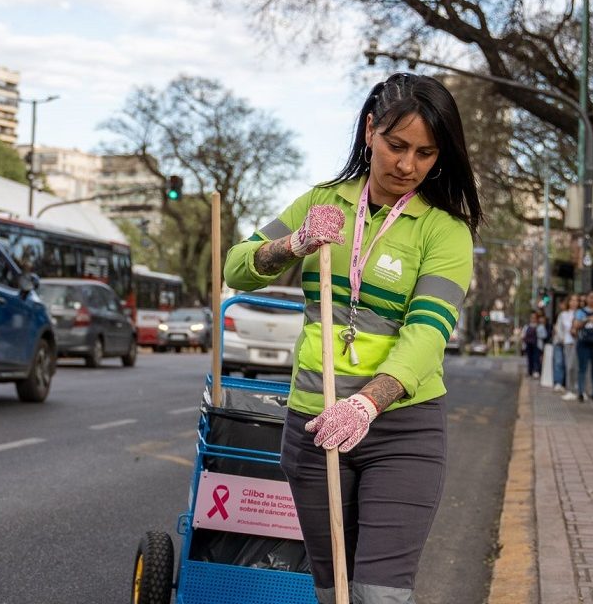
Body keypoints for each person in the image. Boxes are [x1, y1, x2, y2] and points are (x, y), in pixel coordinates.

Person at [224, 73, 482, 604]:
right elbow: (238, 269)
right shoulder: (321, 202)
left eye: (425, 153)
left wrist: (365, 405)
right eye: (395, 145)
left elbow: (427, 333)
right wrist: (294, 243)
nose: (407, 165)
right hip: (313, 423)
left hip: (402, 431)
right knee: (334, 591)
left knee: (378, 594)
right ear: (370, 130)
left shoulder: (445, 230)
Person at [568, 290, 593, 402]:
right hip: (584, 343)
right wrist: (587, 319)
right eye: (590, 297)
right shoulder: (581, 312)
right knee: (582, 368)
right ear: (586, 299)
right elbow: (576, 325)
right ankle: (581, 392)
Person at [553, 296, 579, 393]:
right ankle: (566, 386)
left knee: (575, 365)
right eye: (572, 300)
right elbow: (558, 328)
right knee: (567, 365)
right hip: (566, 342)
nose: (574, 303)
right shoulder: (563, 314)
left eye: (576, 300)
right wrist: (562, 339)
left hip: (578, 343)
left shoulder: (580, 314)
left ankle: (576, 385)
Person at [523, 313, 543, 378]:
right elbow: (523, 335)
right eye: (532, 317)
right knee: (529, 358)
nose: (533, 319)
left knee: (536, 358)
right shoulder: (526, 326)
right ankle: (530, 371)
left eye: (534, 318)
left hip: (537, 345)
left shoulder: (540, 326)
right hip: (529, 345)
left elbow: (544, 335)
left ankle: (536, 371)